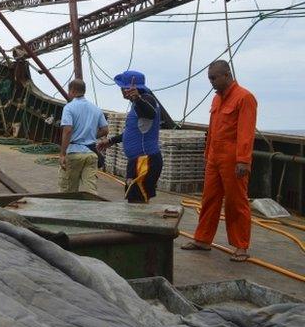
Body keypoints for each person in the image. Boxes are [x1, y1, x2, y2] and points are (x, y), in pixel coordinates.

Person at [181, 60, 257, 262]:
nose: (212, 82)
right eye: (209, 78)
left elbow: (246, 132)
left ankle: (241, 246)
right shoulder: (216, 100)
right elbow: (212, 130)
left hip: (233, 159)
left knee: (236, 202)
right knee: (209, 198)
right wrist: (208, 155)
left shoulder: (245, 98)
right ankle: (203, 239)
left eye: (214, 78)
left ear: (227, 75)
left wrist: (243, 160)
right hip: (215, 157)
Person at [98, 70, 172, 203]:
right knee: (134, 200)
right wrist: (111, 141)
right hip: (137, 160)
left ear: (128, 88)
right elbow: (133, 131)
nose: (121, 91)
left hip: (144, 161)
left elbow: (151, 114)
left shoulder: (146, 100)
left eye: (122, 88)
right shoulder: (137, 104)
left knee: (137, 202)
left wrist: (137, 99)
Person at [59, 79, 108, 194]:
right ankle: (91, 210)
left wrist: (62, 153)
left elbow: (67, 130)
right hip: (91, 155)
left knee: (68, 190)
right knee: (91, 190)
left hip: (74, 153)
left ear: (72, 91)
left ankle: (69, 212)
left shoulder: (69, 107)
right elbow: (105, 130)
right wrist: (90, 135)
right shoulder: (96, 109)